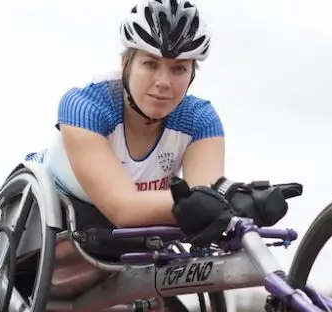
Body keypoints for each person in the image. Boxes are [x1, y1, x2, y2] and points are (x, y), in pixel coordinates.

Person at [25, 0, 289, 253]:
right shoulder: (85, 105)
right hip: (41, 226)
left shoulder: (200, 119)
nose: (164, 81)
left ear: (192, 74)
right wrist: (221, 200)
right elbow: (124, 209)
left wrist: (240, 199)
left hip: (131, 239)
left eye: (179, 69)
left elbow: (204, 202)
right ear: (125, 64)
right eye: (151, 64)